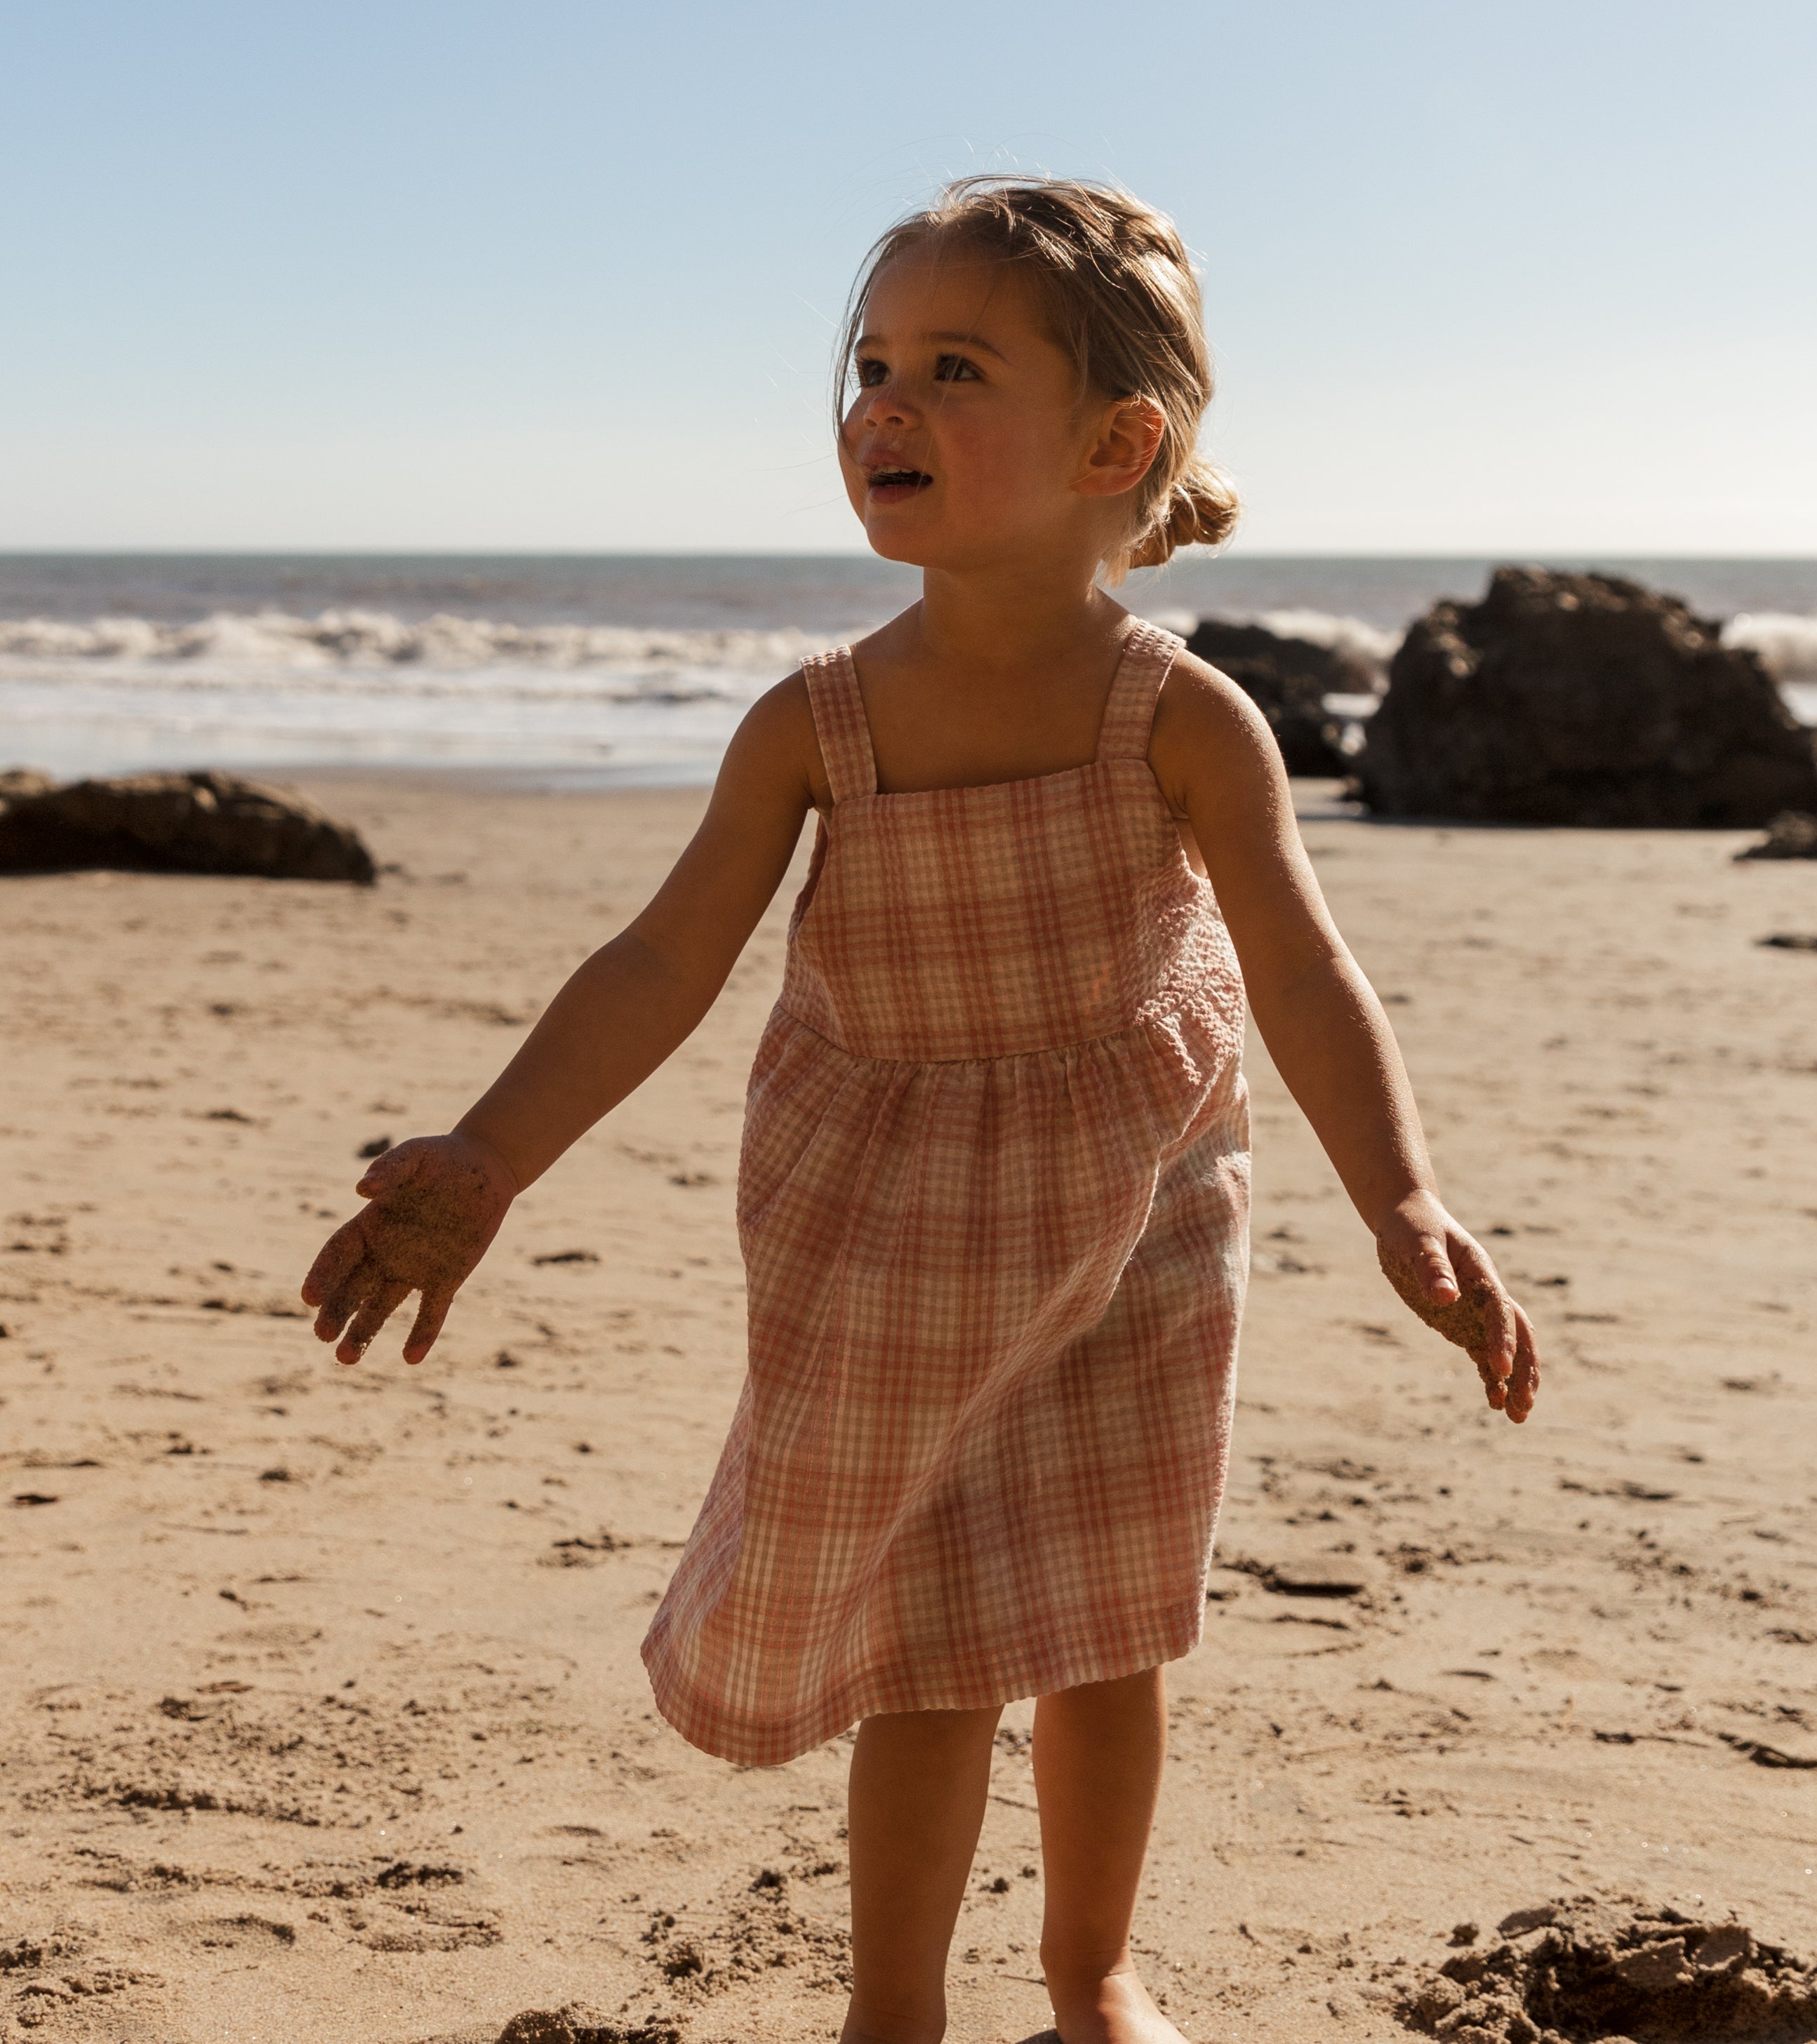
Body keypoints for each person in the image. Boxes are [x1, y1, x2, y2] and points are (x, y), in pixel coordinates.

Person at [302, 176, 1540, 2044]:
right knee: (934, 1637)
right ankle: (896, 2008)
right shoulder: (817, 723)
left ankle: (1092, 1972)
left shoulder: (1181, 717)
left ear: (1118, 443)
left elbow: (1302, 969)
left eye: (954, 369)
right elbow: (661, 962)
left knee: (1114, 1612)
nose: (882, 402)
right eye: (871, 364)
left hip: (1139, 1213)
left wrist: (1404, 1198)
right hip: (885, 1223)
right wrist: (489, 1154)